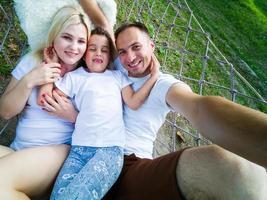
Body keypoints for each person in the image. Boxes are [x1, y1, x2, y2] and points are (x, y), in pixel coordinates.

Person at [101, 22, 267, 200]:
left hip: (128, 164)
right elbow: (103, 23)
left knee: (233, 169)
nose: (130, 57)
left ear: (151, 45)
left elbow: (198, 108)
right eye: (123, 51)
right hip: (93, 145)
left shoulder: (162, 85)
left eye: (136, 47)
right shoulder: (119, 66)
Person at [0, 2, 115, 199]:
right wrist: (30, 81)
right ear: (54, 37)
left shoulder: (90, 76)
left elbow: (104, 128)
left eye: (81, 41)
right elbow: (5, 111)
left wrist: (72, 116)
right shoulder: (34, 61)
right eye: (67, 38)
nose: (73, 47)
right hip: (19, 149)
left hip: (58, 154)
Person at [49, 27, 158, 199]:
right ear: (84, 54)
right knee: (58, 196)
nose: (98, 53)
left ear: (109, 58)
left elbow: (133, 102)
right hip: (78, 149)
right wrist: (54, 64)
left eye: (104, 50)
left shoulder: (116, 77)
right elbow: (54, 94)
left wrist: (153, 76)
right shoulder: (75, 77)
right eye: (92, 49)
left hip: (109, 151)